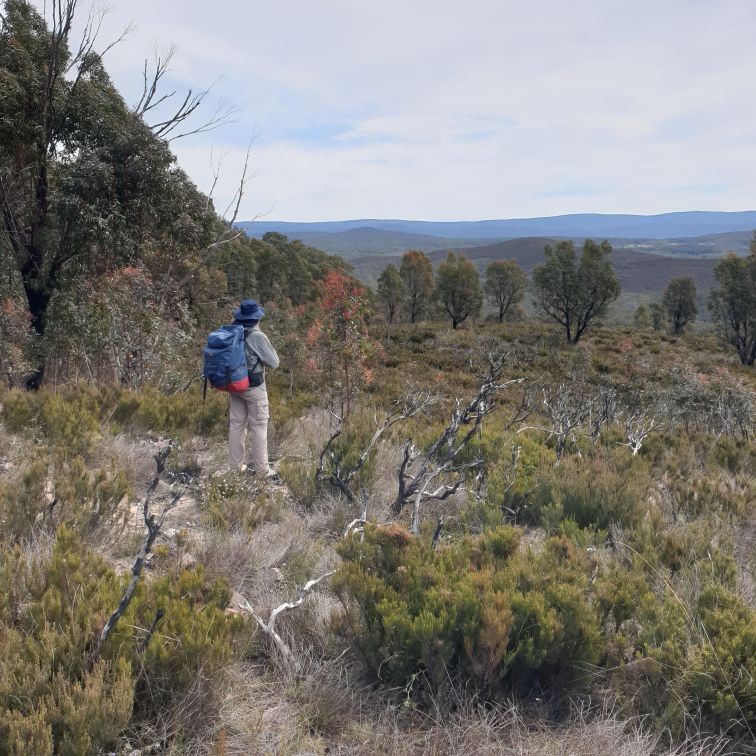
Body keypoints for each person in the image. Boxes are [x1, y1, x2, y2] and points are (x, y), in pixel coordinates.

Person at [228, 299, 281, 480]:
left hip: (234, 385)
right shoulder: (257, 336)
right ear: (256, 318)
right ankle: (262, 471)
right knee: (258, 426)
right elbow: (274, 362)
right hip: (254, 387)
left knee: (236, 425)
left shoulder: (233, 332)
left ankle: (235, 468)